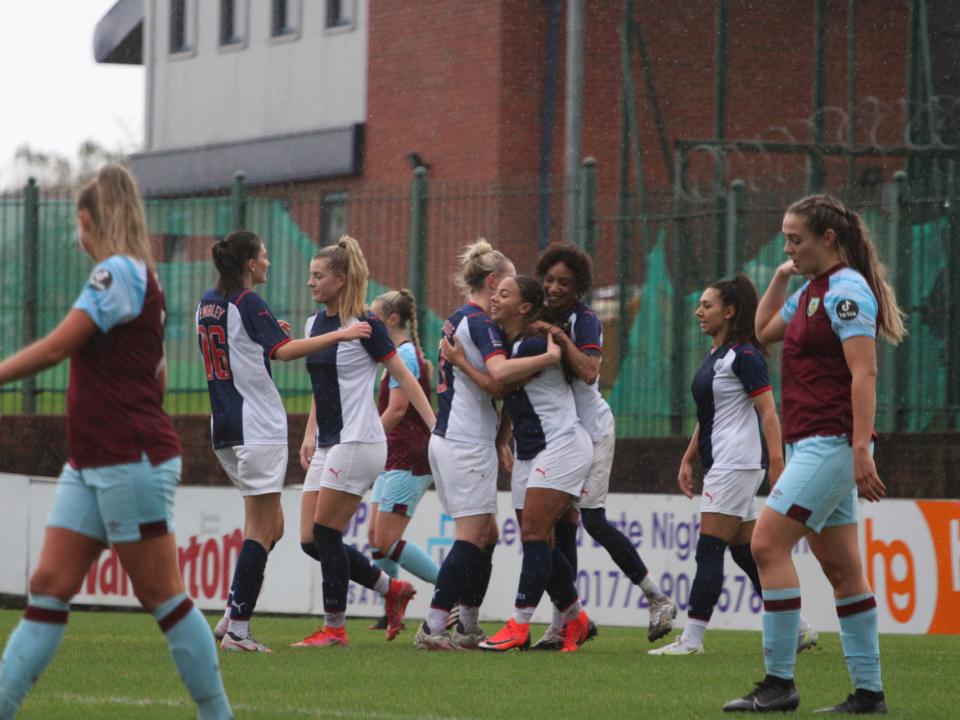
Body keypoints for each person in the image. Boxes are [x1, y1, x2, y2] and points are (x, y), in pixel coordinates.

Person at [0, 165, 232, 719]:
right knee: (49, 583)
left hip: (128, 458)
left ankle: (217, 715)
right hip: (96, 460)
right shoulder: (139, 279)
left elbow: (60, 347)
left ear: (86, 221)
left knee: (163, 595)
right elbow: (155, 379)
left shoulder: (116, 274)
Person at [724, 195, 905, 713]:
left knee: (765, 546)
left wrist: (860, 450)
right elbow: (762, 332)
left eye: (795, 239)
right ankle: (869, 693)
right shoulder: (810, 292)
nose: (788, 247)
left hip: (830, 443)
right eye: (784, 238)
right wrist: (782, 275)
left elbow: (864, 372)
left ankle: (779, 683)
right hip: (815, 443)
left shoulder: (846, 292)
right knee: (844, 571)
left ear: (829, 239)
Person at [199, 230, 372, 653]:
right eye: (264, 256)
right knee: (261, 530)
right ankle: (239, 631)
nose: (269, 262)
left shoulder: (208, 301)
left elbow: (236, 351)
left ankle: (229, 618)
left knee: (272, 525)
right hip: (256, 427)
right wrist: (338, 335)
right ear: (248, 264)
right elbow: (285, 351)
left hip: (224, 427)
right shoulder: (247, 300)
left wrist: (267, 336)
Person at [649, 275, 814, 656]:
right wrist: (690, 455)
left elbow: (769, 412)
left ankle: (692, 640)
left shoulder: (746, 356)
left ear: (730, 311)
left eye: (706, 305)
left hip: (736, 464)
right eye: (700, 305)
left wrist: (777, 464)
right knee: (746, 552)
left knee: (708, 551)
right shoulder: (715, 356)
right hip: (725, 463)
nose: (698, 311)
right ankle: (799, 627)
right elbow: (709, 414)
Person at [294, 236, 437, 648]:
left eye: (317, 276)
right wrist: (308, 434)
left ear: (340, 280)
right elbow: (322, 386)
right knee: (309, 540)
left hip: (359, 439)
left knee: (325, 532)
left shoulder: (367, 325)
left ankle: (335, 629)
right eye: (310, 276)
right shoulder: (312, 325)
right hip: (328, 442)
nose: (311, 283)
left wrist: (434, 426)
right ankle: (389, 589)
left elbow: (405, 378)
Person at [530, 244, 676, 648]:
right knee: (558, 530)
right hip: (561, 436)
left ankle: (656, 597)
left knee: (592, 521)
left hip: (592, 432)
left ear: (579, 287)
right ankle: (567, 620)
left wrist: (559, 336)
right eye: (550, 279)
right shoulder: (538, 316)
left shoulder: (585, 320)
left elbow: (591, 372)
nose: (554, 287)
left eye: (564, 282)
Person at [444, 276, 593, 652]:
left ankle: (520, 624)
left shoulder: (530, 341)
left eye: (504, 294)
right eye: (495, 292)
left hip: (561, 445)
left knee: (533, 533)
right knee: (540, 540)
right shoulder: (513, 342)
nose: (494, 298)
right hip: (531, 452)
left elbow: (499, 383)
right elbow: (504, 392)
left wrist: (461, 361)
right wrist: (504, 440)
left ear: (525, 308)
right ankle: (576, 619)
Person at [413, 240, 517, 651]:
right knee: (472, 535)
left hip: (453, 437)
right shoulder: (481, 323)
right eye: (507, 285)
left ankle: (468, 626)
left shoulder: (457, 319)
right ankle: (433, 627)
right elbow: (501, 379)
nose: (511, 294)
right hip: (465, 440)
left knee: (487, 533)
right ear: (492, 282)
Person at [365, 289, 440, 630]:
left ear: (391, 320)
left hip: (408, 456)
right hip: (393, 455)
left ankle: (449, 591)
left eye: (374, 316)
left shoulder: (405, 357)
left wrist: (364, 441)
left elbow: (396, 411)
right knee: (376, 540)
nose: (368, 323)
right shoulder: (398, 354)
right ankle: (391, 607)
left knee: (384, 541)